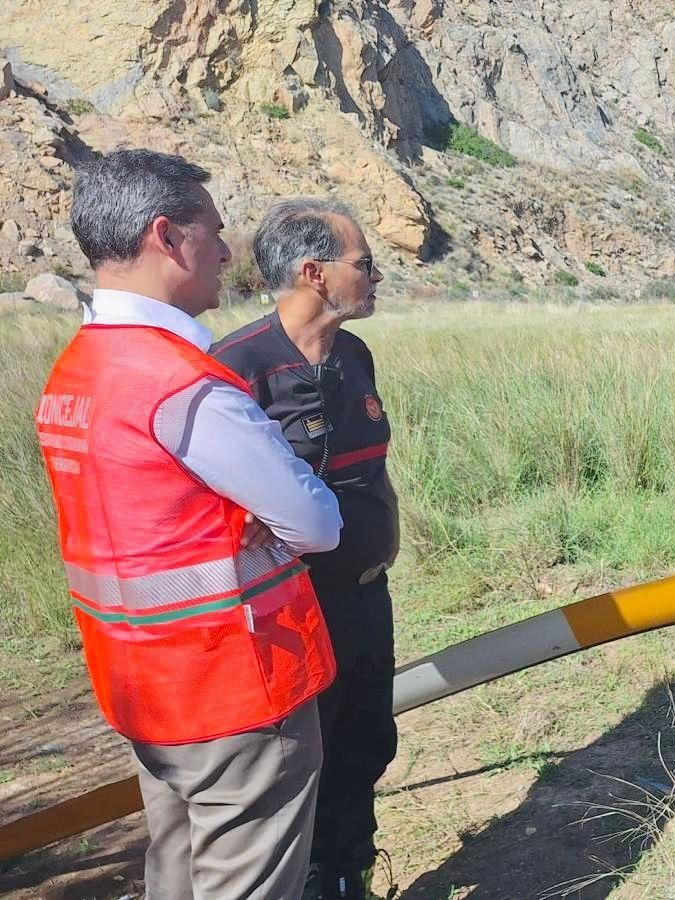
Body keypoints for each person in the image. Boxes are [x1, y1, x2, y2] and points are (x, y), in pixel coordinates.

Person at [35, 150, 342, 898]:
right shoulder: (183, 386)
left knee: (176, 870)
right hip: (233, 688)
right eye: (216, 231)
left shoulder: (75, 371)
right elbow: (315, 521)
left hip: (143, 687)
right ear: (168, 238)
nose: (229, 252)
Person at [212, 199, 399, 900]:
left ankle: (352, 876)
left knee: (366, 742)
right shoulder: (236, 368)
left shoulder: (354, 355)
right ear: (314, 272)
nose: (376, 277)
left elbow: (372, 466)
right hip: (289, 611)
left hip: (365, 594)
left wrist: (388, 536)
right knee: (300, 763)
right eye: (364, 264)